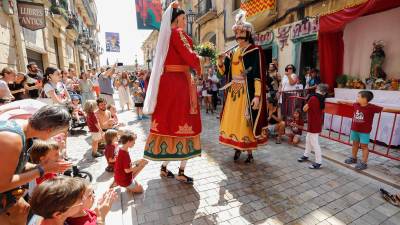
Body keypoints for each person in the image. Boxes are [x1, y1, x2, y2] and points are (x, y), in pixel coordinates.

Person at [143, 1, 202, 184]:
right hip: (179, 84)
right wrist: (200, 60)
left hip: (169, 83)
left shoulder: (168, 35)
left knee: (169, 122)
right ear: (176, 20)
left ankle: (164, 167)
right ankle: (181, 171)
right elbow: (189, 56)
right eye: (183, 18)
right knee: (184, 122)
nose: (185, 22)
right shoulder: (178, 33)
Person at [0, 105, 71, 225]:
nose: (53, 137)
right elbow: (2, 184)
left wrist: (40, 167)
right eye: (57, 133)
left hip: (8, 197)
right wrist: (42, 170)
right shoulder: (12, 139)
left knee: (24, 208)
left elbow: (15, 166)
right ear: (49, 129)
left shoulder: (20, 127)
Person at [217, 10, 268, 163]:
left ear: (247, 34)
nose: (238, 35)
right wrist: (220, 61)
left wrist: (257, 96)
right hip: (233, 93)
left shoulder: (255, 51)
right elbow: (224, 72)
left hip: (247, 92)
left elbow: (258, 75)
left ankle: (250, 153)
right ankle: (237, 148)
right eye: (236, 32)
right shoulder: (233, 52)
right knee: (234, 122)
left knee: (246, 121)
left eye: (241, 32)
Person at [340, 91, 400, 170]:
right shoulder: (356, 104)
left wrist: (398, 110)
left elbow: (385, 109)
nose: (356, 98)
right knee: (355, 144)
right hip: (355, 129)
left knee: (364, 146)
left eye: (358, 96)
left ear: (364, 99)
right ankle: (353, 158)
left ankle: (364, 162)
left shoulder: (372, 107)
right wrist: (341, 101)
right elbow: (349, 103)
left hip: (364, 131)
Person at [29, 176, 116, 225]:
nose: (84, 200)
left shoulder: (44, 214)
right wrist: (101, 217)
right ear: (58, 214)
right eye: (80, 199)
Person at [298, 84, 328, 169]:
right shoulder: (321, 98)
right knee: (308, 139)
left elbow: (304, 109)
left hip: (313, 123)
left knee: (314, 143)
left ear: (318, 89)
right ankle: (306, 154)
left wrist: (307, 102)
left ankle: (319, 162)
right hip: (316, 122)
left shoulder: (313, 98)